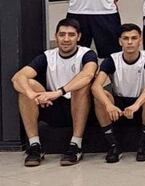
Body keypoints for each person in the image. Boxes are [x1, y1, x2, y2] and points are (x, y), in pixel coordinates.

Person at [12, 18, 98, 167]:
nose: (66, 39)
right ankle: (35, 146)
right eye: (62, 34)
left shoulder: (87, 54)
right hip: (51, 106)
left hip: (80, 108)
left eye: (71, 35)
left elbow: (88, 75)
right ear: (56, 36)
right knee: (27, 84)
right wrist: (31, 94)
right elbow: (17, 77)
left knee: (81, 84)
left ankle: (76, 145)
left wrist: (60, 91)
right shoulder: (47, 56)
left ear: (78, 37)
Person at [91, 23, 145, 162]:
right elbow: (96, 86)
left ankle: (144, 143)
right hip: (119, 105)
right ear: (120, 41)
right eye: (126, 38)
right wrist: (109, 105)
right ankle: (113, 144)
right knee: (101, 96)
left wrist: (137, 104)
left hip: (140, 104)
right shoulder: (111, 59)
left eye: (134, 38)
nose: (130, 42)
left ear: (140, 40)